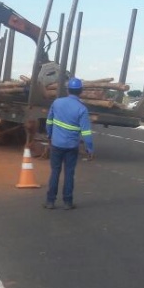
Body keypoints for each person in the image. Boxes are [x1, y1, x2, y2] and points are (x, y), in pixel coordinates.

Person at [44, 77, 94, 210]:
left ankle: (50, 201)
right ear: (81, 91)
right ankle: (68, 202)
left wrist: (49, 135)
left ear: (67, 90)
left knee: (55, 172)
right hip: (71, 147)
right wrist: (89, 149)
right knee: (69, 173)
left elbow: (49, 122)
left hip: (56, 144)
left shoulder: (57, 102)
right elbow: (86, 132)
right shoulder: (82, 109)